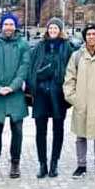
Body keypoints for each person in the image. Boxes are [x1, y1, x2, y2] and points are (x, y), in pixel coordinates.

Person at [0, 13, 30, 180]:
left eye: (11, 24)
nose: (9, 27)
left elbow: (24, 68)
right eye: (6, 24)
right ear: (2, 26)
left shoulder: (23, 45)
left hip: (15, 94)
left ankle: (15, 163)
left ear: (15, 26)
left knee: (17, 130)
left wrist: (12, 87)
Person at [63, 24, 95, 179]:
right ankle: (81, 165)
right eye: (88, 34)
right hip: (81, 101)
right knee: (81, 135)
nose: (91, 37)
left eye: (94, 34)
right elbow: (69, 78)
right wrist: (72, 97)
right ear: (84, 37)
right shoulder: (77, 56)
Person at [28, 17, 73, 179]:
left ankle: (54, 163)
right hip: (41, 94)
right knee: (40, 131)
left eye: (56, 28)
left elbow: (71, 70)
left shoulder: (67, 47)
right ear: (47, 30)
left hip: (58, 94)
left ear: (60, 30)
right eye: (51, 28)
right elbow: (31, 68)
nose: (53, 30)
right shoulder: (39, 47)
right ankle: (42, 164)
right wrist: (34, 86)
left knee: (58, 130)